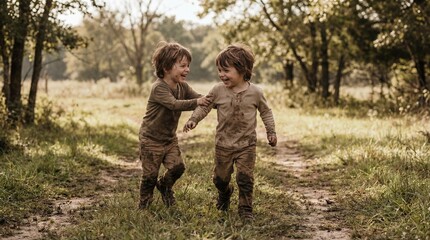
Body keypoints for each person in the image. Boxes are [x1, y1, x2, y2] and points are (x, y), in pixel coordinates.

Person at [183, 44, 277, 222]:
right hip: (223, 144)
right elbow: (205, 106)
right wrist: (194, 119)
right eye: (219, 70)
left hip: (246, 145)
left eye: (226, 70)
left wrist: (271, 131)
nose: (221, 74)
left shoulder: (255, 92)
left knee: (245, 177)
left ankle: (245, 209)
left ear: (242, 69)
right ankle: (225, 194)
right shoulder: (218, 90)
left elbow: (266, 111)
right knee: (220, 179)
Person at [138, 41, 210, 209]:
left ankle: (164, 185)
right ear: (166, 67)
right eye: (183, 65)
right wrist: (198, 101)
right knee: (149, 176)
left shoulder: (182, 86)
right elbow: (174, 104)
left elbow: (199, 98)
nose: (187, 69)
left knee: (178, 168)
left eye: (188, 66)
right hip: (151, 139)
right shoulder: (158, 88)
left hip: (169, 139)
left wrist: (214, 100)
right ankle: (144, 206)